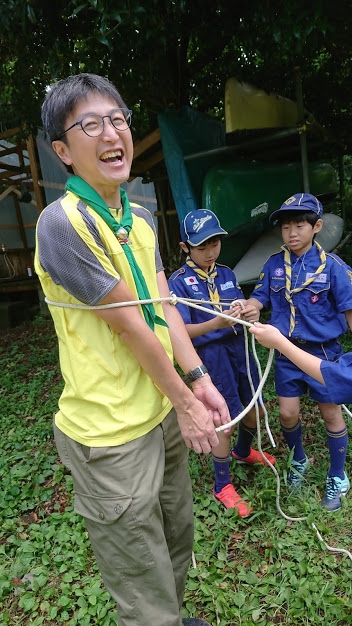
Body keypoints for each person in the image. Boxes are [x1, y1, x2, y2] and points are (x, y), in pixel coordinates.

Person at [34, 73, 231, 626]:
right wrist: (192, 405)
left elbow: (163, 306)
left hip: (160, 412)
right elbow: (129, 326)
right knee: (138, 565)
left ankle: (170, 615)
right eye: (89, 124)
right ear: (63, 151)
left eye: (117, 119)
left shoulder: (139, 217)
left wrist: (198, 382)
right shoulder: (62, 224)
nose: (110, 132)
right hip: (109, 434)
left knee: (176, 534)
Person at [247, 192, 352, 511]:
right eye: (286, 227)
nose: (291, 233)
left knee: (330, 412)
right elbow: (259, 297)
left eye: (299, 225)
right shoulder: (274, 264)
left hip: (323, 353)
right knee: (287, 413)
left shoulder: (334, 268)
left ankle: (338, 476)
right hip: (285, 354)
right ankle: (299, 461)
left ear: (317, 226)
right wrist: (249, 306)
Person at [168, 209, 276, 517]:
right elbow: (180, 332)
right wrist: (215, 324)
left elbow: (239, 307)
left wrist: (249, 313)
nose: (210, 251)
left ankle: (243, 452)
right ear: (184, 247)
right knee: (223, 420)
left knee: (254, 407)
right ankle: (222, 484)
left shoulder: (227, 273)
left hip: (239, 349)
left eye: (215, 243)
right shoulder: (177, 284)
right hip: (210, 358)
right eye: (202, 246)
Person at [249, 322, 352, 405]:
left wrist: (279, 342)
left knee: (331, 414)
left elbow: (343, 379)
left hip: (322, 350)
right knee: (287, 413)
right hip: (287, 356)